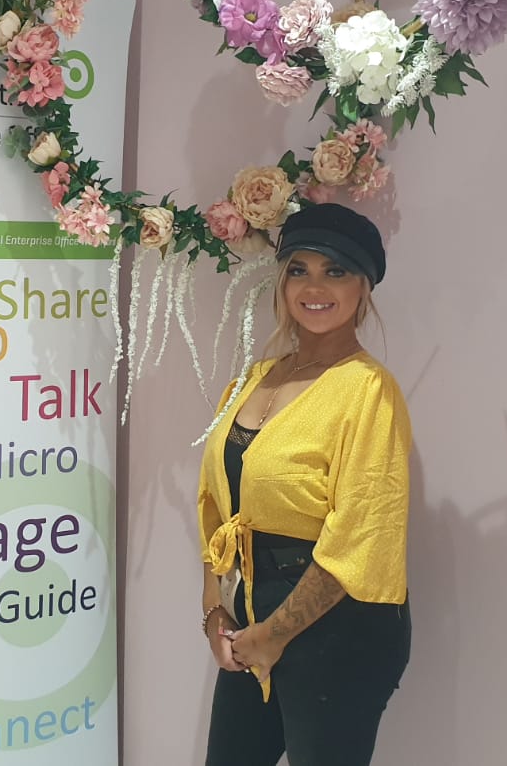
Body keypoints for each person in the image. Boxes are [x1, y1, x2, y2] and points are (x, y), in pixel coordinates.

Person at [196, 203, 413, 766]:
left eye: (335, 270)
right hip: (249, 613)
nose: (315, 287)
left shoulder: (367, 389)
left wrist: (273, 634)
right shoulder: (254, 379)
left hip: (338, 625)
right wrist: (215, 611)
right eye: (299, 269)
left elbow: (361, 536)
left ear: (364, 287)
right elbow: (216, 508)